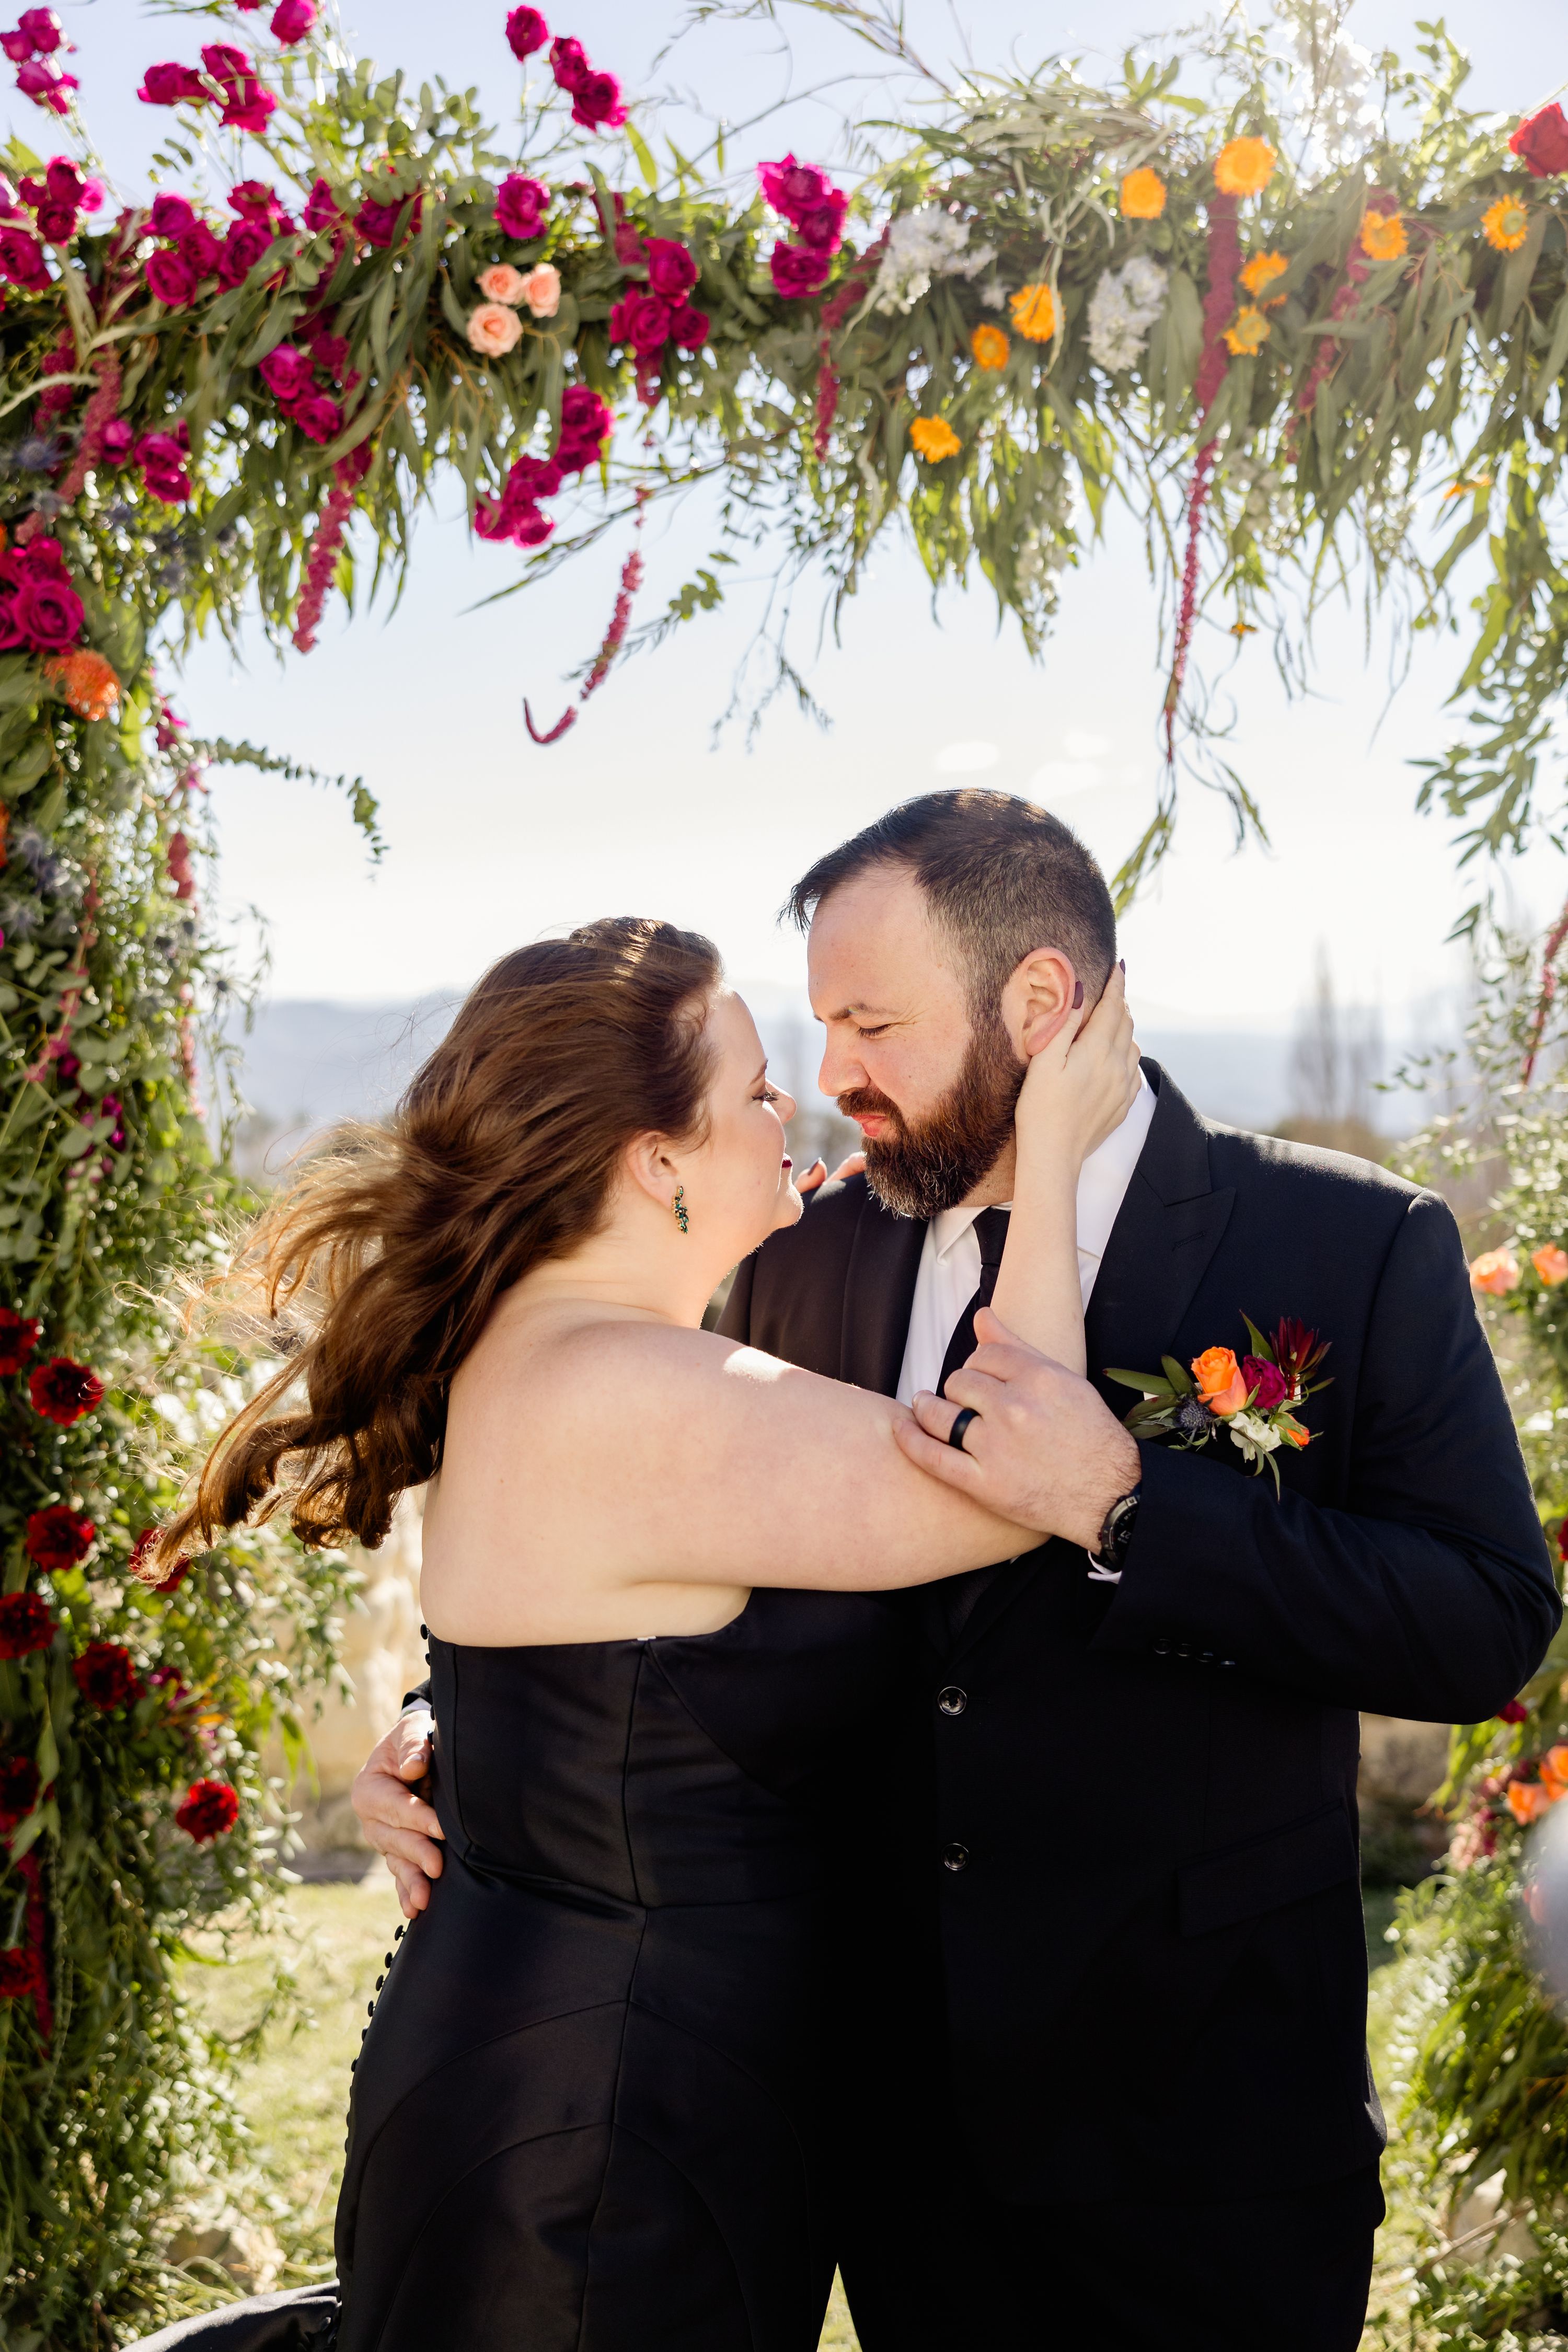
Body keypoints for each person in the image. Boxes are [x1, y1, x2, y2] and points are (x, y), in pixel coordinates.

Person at [354, 787, 1563, 2352]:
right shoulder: (791, 1251)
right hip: (876, 2144)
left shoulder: (1344, 1243)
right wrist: (482, 1729)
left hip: (1203, 2145)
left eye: (871, 1023)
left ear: (1040, 1003)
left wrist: (1135, 1507)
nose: (834, 1078)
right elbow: (655, 1541)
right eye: (815, 1028)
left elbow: (1485, 1624)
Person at [128, 911, 1139, 2352]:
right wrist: (1055, 1147)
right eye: (749, 1088)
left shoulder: (551, 1356)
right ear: (657, 1161)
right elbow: (1009, 1475)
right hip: (603, 2135)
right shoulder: (625, 1383)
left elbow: (592, 1672)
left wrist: (453, 1742)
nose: (789, 1101)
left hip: (586, 2083)